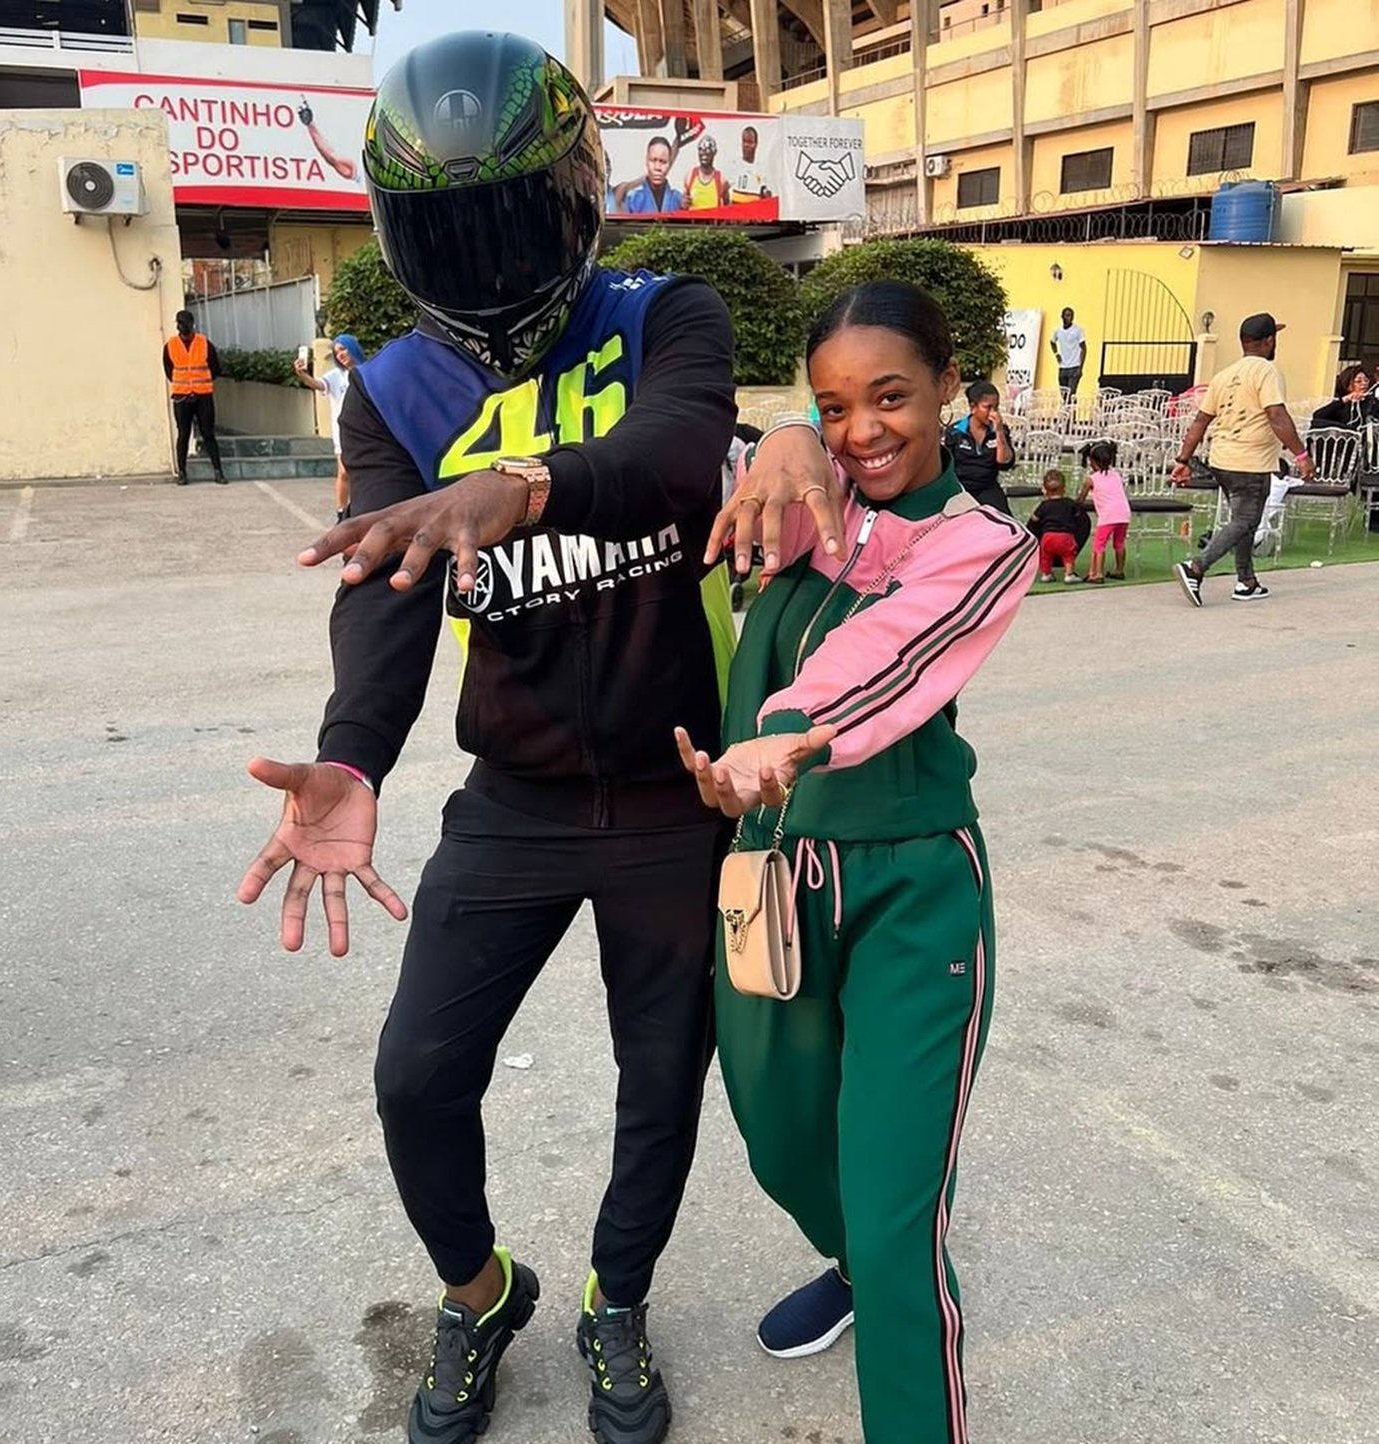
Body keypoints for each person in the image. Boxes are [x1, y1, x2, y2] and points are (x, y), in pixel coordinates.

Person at [237, 33, 743, 1444]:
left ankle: (617, 1298)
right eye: (445, 229)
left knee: (662, 1086)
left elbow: (679, 451)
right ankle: (481, 1293)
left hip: (672, 795)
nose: (481, 256)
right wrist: (351, 756)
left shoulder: (666, 314)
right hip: (513, 796)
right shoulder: (394, 388)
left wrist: (518, 488)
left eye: (508, 218)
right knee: (415, 1079)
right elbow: (386, 590)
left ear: (578, 196)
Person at [676, 280, 1038, 1444]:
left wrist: (784, 735)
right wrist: (786, 435)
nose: (864, 429)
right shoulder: (807, 500)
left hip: (911, 895)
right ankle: (850, 1260)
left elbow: (889, 653)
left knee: (898, 1225)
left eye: (891, 397)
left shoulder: (984, 545)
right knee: (780, 1138)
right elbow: (699, 484)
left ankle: (883, 1282)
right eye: (835, 406)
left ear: (948, 388)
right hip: (773, 879)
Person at [1171, 313, 1314, 606]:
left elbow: (1200, 420)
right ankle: (1196, 568)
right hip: (1251, 461)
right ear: (1269, 341)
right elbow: (1276, 415)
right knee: (1246, 520)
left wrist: (1183, 460)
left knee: (1244, 521)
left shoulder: (1224, 375)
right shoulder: (1267, 371)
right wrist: (1301, 455)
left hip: (1222, 459)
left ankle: (1246, 582)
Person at [294, 333, 366, 521]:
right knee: (344, 472)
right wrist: (303, 375)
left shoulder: (368, 371)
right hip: (343, 432)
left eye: (343, 349)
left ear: (353, 348)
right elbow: (318, 384)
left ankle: (360, 510)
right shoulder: (336, 376)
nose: (341, 355)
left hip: (366, 431)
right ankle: (341, 513)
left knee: (363, 473)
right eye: (336, 352)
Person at [164, 310, 226, 485]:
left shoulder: (204, 343)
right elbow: (169, 371)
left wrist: (199, 383)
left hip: (203, 396)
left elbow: (215, 369)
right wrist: (184, 384)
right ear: (177, 325)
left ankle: (218, 471)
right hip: (181, 397)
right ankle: (182, 473)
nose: (183, 327)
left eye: (186, 324)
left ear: (192, 325)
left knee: (208, 434)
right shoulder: (170, 346)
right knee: (183, 435)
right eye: (180, 323)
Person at [945, 380, 1015, 514]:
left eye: (996, 407)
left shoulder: (1000, 430)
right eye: (987, 407)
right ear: (973, 407)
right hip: (960, 489)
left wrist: (999, 432)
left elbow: (1004, 463)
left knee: (1004, 521)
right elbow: (945, 466)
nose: (993, 413)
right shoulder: (955, 432)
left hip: (988, 488)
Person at [1076, 439, 1130, 582]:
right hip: (1124, 514)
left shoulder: (1091, 479)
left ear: (1092, 462)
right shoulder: (1116, 475)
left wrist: (1075, 503)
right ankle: (1119, 570)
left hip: (1107, 516)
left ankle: (1097, 574)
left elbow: (1081, 499)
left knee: (1099, 545)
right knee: (1119, 543)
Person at [1028, 467, 1088, 583]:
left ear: (1045, 490)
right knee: (1068, 555)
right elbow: (1078, 515)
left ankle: (1046, 574)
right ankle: (1069, 574)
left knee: (1046, 555)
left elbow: (1035, 519)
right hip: (1065, 537)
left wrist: (1033, 512)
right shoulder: (1069, 503)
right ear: (1064, 488)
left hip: (1048, 537)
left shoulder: (1044, 505)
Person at [624, 136, 684, 214]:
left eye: (663, 162)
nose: (657, 167)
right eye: (653, 160)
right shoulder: (632, 199)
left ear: (669, 164)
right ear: (646, 161)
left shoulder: (678, 199)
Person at [1310, 364, 1377, 433]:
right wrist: (1345, 399)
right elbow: (1317, 416)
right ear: (1347, 384)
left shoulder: (1371, 402)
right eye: (1359, 381)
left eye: (1366, 380)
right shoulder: (1341, 404)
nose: (1364, 383)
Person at [683, 135, 730, 209]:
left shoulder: (721, 179)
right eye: (701, 150)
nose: (704, 154)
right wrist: (683, 203)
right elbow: (683, 204)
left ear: (714, 152)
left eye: (708, 150)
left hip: (713, 216)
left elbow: (727, 208)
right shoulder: (690, 176)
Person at [1050, 307, 1086, 395]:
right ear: (1062, 316)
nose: (1069, 318)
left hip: (1074, 367)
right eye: (1067, 315)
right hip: (1063, 367)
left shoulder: (1077, 330)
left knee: (1071, 394)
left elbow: (1084, 348)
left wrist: (1080, 367)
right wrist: (1056, 354)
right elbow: (1052, 342)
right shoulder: (1058, 330)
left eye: (1071, 316)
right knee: (1064, 394)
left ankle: (1072, 404)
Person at [731, 125, 771, 203]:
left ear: (756, 144)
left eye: (750, 142)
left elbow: (766, 194)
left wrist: (766, 194)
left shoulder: (761, 169)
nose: (746, 145)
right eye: (744, 141)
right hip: (737, 209)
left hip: (754, 209)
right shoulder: (734, 166)